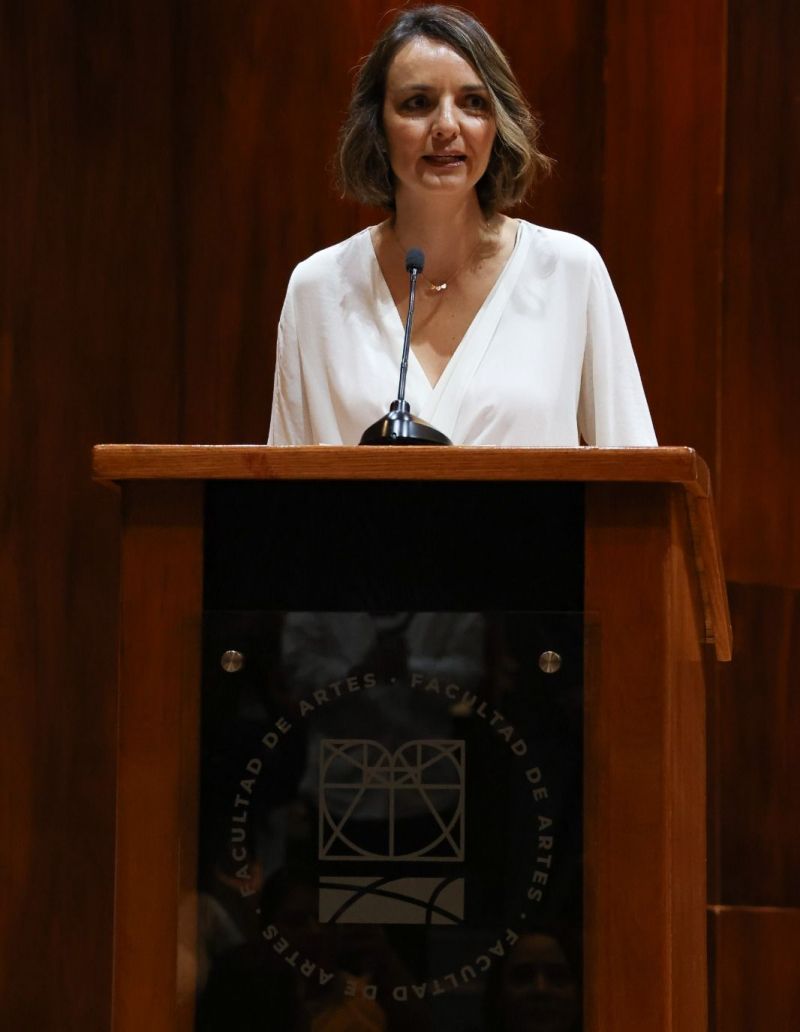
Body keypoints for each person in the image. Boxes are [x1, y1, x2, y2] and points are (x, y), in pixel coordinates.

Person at [267, 5, 657, 447]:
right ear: (377, 124)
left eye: (474, 103)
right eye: (418, 103)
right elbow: (284, 492)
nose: (447, 126)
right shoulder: (317, 290)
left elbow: (636, 478)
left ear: (498, 122)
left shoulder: (569, 272)